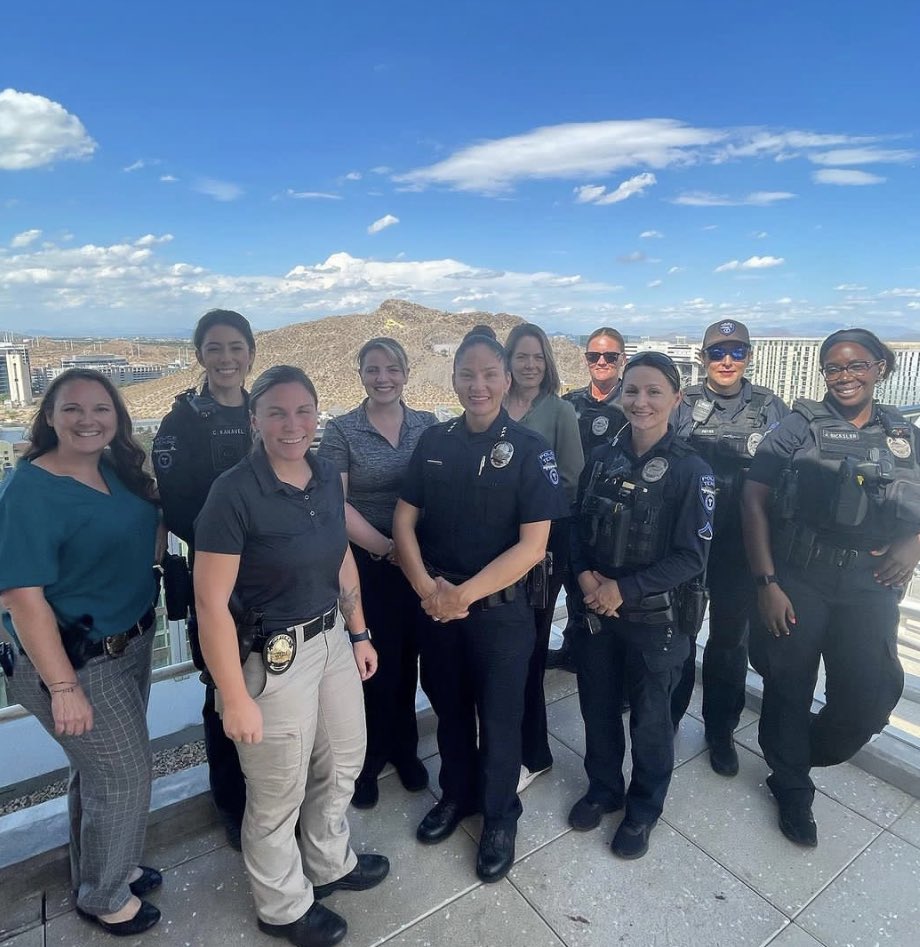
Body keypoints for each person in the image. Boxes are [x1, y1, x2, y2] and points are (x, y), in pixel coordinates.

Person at [193, 365, 389, 947]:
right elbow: (208, 604)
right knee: (277, 792)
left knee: (345, 758)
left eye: (303, 411)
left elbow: (340, 558)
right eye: (276, 411)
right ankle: (282, 907)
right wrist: (234, 697)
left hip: (330, 640)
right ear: (255, 419)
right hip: (272, 657)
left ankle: (329, 863)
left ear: (317, 416)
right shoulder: (233, 493)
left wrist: (359, 632)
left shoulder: (326, 475)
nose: (292, 424)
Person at [393, 328, 567, 884]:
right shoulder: (435, 442)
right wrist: (426, 589)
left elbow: (533, 545)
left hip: (499, 613)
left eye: (490, 373)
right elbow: (403, 519)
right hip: (437, 608)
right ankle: (457, 797)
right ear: (453, 379)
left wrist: (460, 597)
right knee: (448, 710)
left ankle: (499, 817)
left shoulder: (532, 450)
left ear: (507, 378)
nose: (479, 384)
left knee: (499, 719)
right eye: (467, 374)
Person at [0, 369, 163, 936]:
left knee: (97, 771)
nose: (87, 420)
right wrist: (63, 686)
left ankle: (101, 866)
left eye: (100, 409)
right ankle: (105, 896)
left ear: (117, 416)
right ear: (49, 416)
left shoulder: (114, 470)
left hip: (129, 642)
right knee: (124, 775)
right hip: (74, 660)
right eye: (72, 409)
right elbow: (22, 597)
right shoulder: (29, 489)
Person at [741, 328, 915, 848]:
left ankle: (801, 750)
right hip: (800, 576)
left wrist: (915, 544)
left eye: (857, 365)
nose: (846, 377)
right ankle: (791, 783)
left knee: (869, 695)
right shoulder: (798, 428)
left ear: (880, 368)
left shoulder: (903, 433)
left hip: (871, 582)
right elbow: (753, 501)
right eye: (835, 368)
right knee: (788, 684)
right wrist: (766, 583)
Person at [569, 352, 713, 859]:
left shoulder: (691, 470)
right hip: (597, 614)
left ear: (676, 399)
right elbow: (576, 526)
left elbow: (692, 557)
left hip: (656, 623)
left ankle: (642, 809)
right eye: (632, 390)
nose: (641, 401)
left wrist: (622, 591)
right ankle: (603, 788)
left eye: (654, 391)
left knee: (651, 723)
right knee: (598, 709)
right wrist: (586, 575)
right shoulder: (603, 457)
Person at [317, 337, 437, 809]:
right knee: (367, 664)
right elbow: (336, 502)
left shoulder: (427, 426)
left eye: (391, 369)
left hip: (420, 563)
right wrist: (389, 548)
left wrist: (412, 554)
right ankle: (365, 761)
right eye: (373, 369)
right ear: (361, 374)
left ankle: (404, 750)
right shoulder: (342, 430)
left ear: (406, 373)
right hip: (367, 564)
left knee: (407, 660)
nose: (382, 377)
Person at [152, 308, 256, 850]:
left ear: (250, 354)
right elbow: (183, 506)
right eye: (215, 348)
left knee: (273, 680)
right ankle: (232, 803)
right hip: (215, 577)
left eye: (236, 347)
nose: (226, 359)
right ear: (199, 355)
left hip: (270, 579)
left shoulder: (265, 410)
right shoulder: (182, 422)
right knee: (222, 688)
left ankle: (271, 794)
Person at [671, 320, 788, 776]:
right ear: (703, 358)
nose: (726, 361)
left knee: (728, 642)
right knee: (680, 635)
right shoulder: (683, 405)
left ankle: (720, 730)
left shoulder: (770, 409)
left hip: (740, 548)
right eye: (718, 352)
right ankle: (670, 717)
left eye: (736, 352)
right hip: (686, 543)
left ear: (749, 356)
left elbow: (789, 478)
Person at [503, 323, 584, 792]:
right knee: (505, 645)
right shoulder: (494, 404)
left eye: (537, 357)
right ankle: (504, 736)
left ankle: (534, 751)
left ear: (547, 363)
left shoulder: (561, 412)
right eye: (520, 356)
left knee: (531, 647)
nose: (529, 365)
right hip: (493, 547)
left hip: (541, 548)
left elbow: (571, 481)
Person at [548, 327, 628, 671]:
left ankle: (613, 675)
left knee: (607, 595)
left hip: (616, 519)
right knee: (572, 585)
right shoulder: (570, 403)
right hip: (571, 512)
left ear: (622, 360)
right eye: (594, 355)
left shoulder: (634, 403)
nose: (602, 362)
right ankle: (572, 649)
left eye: (610, 356)